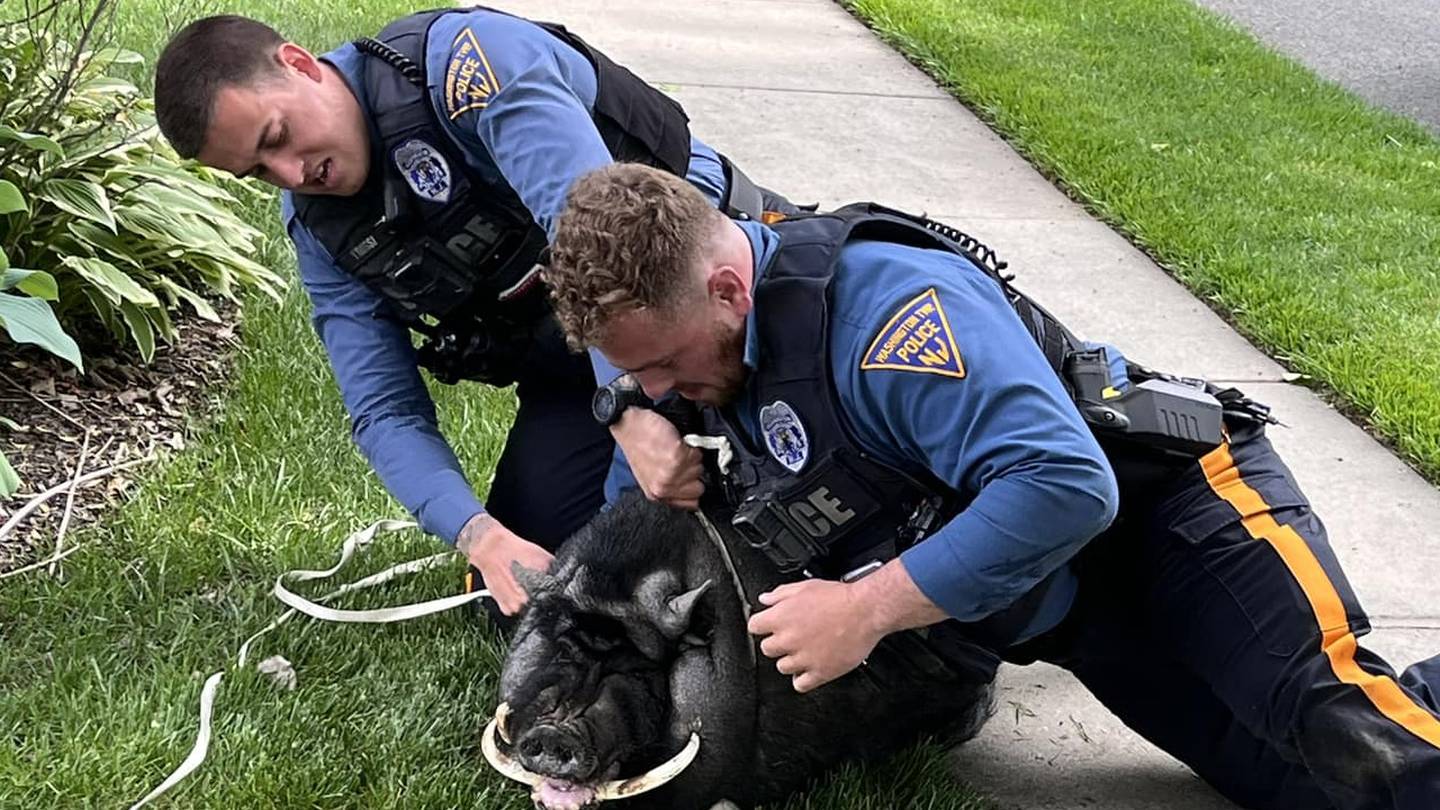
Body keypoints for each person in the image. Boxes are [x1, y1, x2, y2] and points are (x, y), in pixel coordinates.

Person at [540, 162, 1440, 810]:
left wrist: (867, 610)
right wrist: (625, 410)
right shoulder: (713, 356)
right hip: (1075, 605)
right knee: (1301, 786)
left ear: (730, 290)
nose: (657, 390)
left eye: (661, 364)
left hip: (1181, 516)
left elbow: (1067, 485)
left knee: (1360, 738)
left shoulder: (889, 315)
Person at [152, 10, 793, 617]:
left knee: (752, 518)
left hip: (708, 302)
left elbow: (612, 259)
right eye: (259, 171)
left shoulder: (472, 67)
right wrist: (478, 536)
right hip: (579, 373)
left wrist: (630, 421)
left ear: (299, 64)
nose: (292, 174)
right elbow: (383, 409)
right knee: (527, 593)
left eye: (278, 137)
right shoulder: (321, 232)